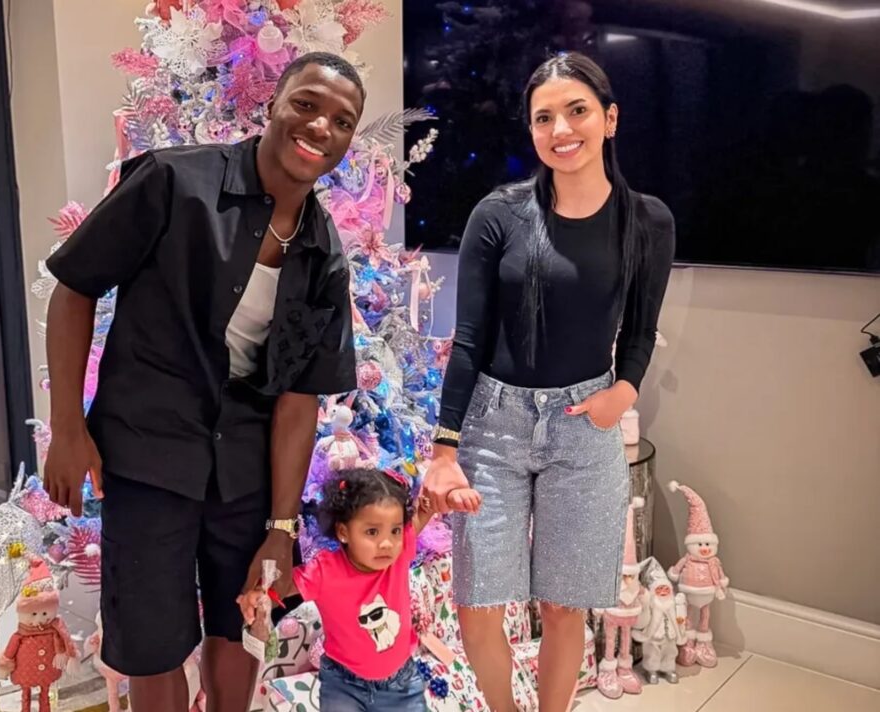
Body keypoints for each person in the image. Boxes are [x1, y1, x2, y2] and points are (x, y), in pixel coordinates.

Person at [41, 53, 365, 712]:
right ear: (273, 103)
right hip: (147, 451)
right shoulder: (172, 182)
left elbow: (301, 397)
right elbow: (74, 287)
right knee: (152, 641)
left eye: (342, 120)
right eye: (306, 103)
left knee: (238, 621)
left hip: (242, 468)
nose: (320, 126)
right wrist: (68, 430)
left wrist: (281, 525)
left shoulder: (323, 253)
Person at [422, 52, 675, 712]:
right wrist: (445, 448)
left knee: (565, 606)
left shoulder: (647, 221)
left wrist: (623, 394)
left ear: (609, 119)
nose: (561, 128)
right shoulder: (499, 216)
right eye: (543, 118)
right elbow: (470, 339)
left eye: (577, 110)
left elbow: (642, 331)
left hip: (583, 429)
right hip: (492, 427)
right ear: (531, 131)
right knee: (480, 602)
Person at [239, 468, 480, 711]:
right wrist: (261, 594)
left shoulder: (398, 553)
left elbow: (422, 514)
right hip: (343, 684)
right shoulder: (326, 570)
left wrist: (448, 499)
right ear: (343, 532)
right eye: (372, 532)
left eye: (395, 530)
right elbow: (283, 586)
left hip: (401, 683)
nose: (387, 543)